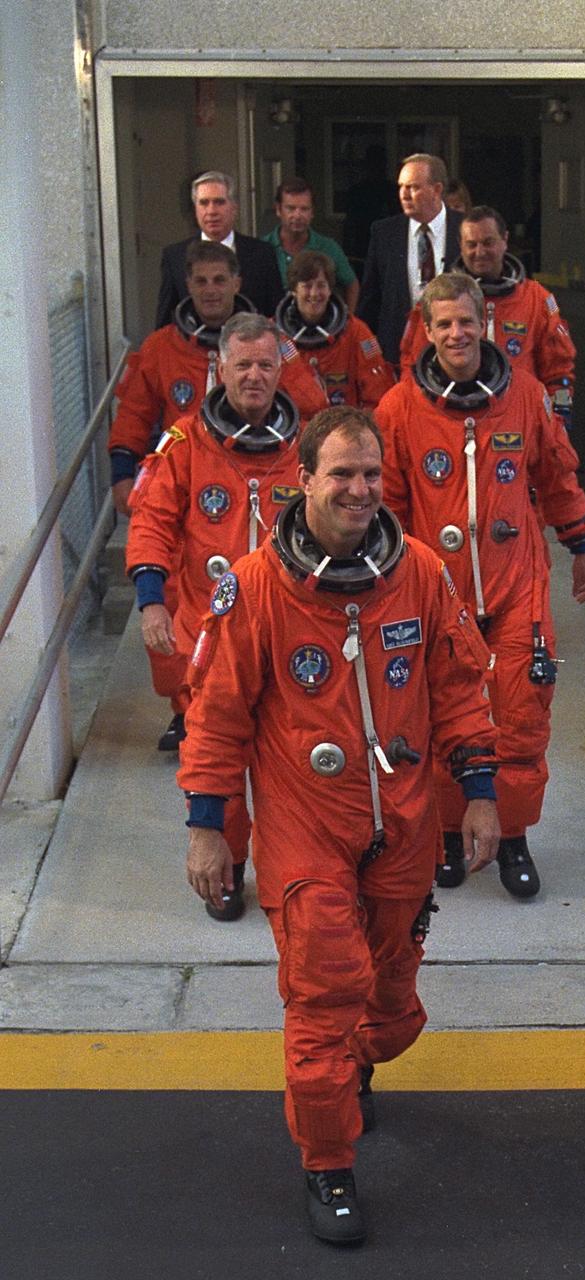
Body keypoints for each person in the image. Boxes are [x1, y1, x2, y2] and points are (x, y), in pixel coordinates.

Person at [177, 406, 500, 1244]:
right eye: (341, 475)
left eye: (370, 475)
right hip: (304, 827)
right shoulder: (253, 587)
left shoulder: (420, 573)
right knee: (324, 993)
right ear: (306, 481)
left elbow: (461, 687)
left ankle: (359, 1061)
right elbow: (215, 716)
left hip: (403, 820)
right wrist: (208, 825)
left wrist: (483, 789)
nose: (359, 490)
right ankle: (329, 1165)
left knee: (389, 1011)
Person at [374, 272, 585, 898]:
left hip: (516, 581)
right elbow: (387, 508)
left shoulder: (523, 395)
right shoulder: (398, 408)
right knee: (443, 713)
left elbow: (556, 474)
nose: (456, 333)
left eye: (465, 322)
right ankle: (449, 831)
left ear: (484, 326)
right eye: (442, 323)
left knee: (523, 714)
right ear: (425, 330)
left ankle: (515, 838)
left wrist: (581, 546)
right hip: (439, 593)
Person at [125, 314, 307, 919]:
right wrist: (152, 597)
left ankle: (298, 876)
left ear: (281, 369)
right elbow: (151, 518)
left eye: (265, 365)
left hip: (289, 635)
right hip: (212, 638)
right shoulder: (185, 443)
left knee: (292, 771)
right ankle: (227, 866)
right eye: (242, 365)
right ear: (220, 368)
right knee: (217, 761)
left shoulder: (306, 446)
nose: (254, 376)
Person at [111, 241, 326, 517]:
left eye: (220, 280)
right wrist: (122, 476)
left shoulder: (268, 343)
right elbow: (133, 416)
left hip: (257, 473)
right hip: (184, 475)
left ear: (237, 284)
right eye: (201, 281)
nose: (210, 290)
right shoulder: (161, 348)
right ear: (188, 284)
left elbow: (313, 408)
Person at [399, 205, 576, 427]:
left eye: (488, 242)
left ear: (505, 240)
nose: (480, 252)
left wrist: (557, 420)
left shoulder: (536, 300)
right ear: (460, 246)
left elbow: (558, 370)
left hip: (520, 419)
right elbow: (413, 367)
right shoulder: (438, 300)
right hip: (451, 421)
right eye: (471, 244)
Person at [357, 153, 464, 366]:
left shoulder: (465, 229)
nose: (404, 195)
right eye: (401, 187)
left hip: (455, 348)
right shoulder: (384, 233)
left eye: (413, 187)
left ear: (437, 190)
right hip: (397, 354)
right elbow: (370, 300)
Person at [155, 171, 283, 327]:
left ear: (234, 207)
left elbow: (276, 318)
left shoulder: (262, 253)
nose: (211, 211)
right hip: (193, 347)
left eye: (219, 202)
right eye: (204, 203)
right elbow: (164, 322)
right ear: (195, 209)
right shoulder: (174, 256)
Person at [274, 250, 393, 411]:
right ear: (294, 290)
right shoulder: (274, 336)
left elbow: (378, 394)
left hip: (344, 428)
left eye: (321, 285)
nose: (314, 294)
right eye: (307, 286)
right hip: (293, 430)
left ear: (330, 289)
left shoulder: (356, 332)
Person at [262, 178, 360, 313]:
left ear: (312, 212)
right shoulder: (262, 247)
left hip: (319, 327)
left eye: (304, 209)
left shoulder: (328, 247)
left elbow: (352, 284)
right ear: (278, 210)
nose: (297, 215)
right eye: (291, 208)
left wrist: (347, 321)